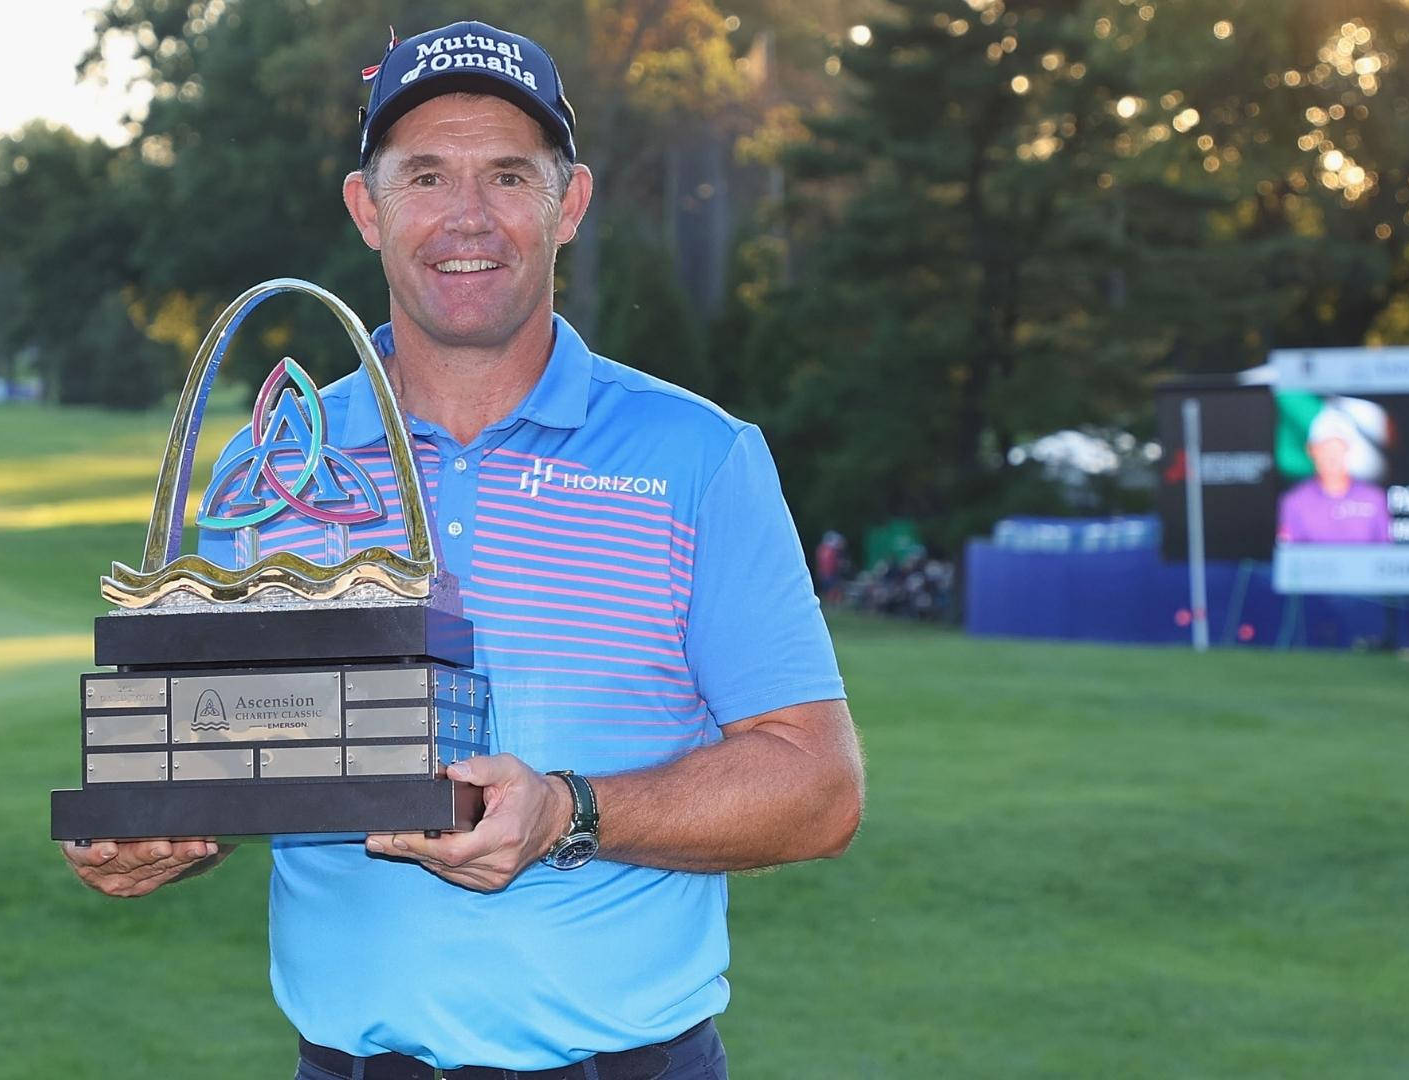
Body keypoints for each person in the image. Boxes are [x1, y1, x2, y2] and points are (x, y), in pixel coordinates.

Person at [62, 21, 864, 1079]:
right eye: (427, 174)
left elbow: (819, 788)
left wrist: (571, 812)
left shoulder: (699, 458)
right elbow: (233, 754)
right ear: (368, 207)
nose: (467, 217)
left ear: (568, 203)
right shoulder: (272, 464)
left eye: (509, 175)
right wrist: (161, 828)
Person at [1276, 406, 1391, 544]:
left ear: (1347, 448)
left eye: (1337, 446)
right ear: (1312, 450)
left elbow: (1386, 552)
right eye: (1324, 447)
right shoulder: (1294, 502)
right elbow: (1288, 555)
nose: (1331, 455)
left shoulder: (1374, 498)